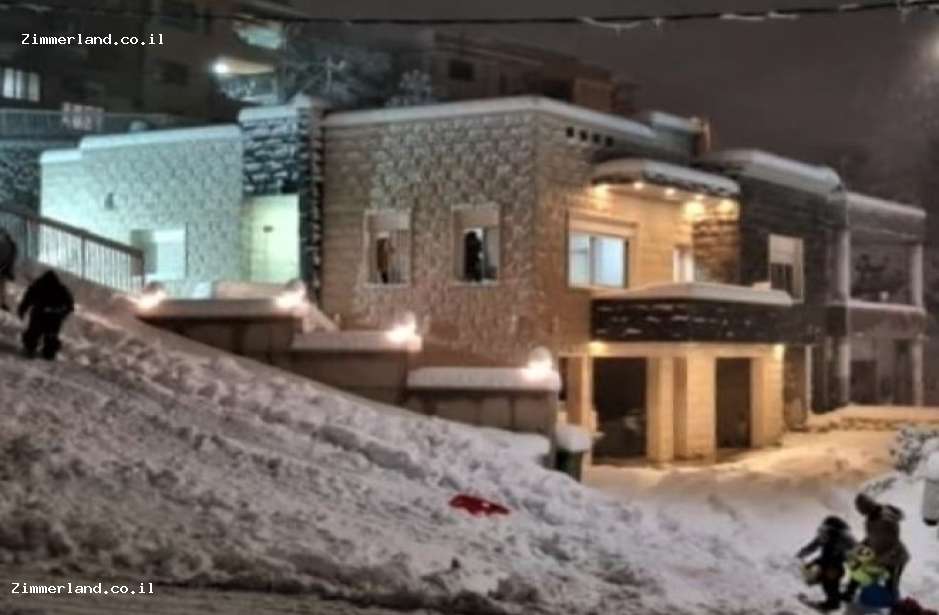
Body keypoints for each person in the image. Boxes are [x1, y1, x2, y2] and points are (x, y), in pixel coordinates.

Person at [843, 493, 910, 606]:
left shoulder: (887, 520)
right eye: (858, 509)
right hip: (878, 552)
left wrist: (879, 559)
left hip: (895, 558)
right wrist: (858, 549)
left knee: (891, 586)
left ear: (867, 505)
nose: (860, 511)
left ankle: (895, 606)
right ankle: (849, 592)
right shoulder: (870, 519)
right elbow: (871, 537)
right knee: (857, 565)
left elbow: (894, 545)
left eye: (860, 508)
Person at [797, 515, 857, 611]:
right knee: (824, 577)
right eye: (823, 529)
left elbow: (856, 555)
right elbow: (813, 545)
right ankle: (836, 598)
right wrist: (801, 555)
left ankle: (833, 603)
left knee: (829, 579)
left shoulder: (843, 539)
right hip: (831, 564)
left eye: (826, 530)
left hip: (837, 566)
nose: (823, 533)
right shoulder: (827, 535)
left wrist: (851, 589)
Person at [17, 270, 74, 361]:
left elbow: (27, 299)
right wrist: (63, 314)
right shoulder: (61, 289)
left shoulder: (39, 285)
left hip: (45, 315)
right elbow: (70, 306)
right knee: (45, 336)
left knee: (38, 334)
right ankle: (44, 351)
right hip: (51, 317)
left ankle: (35, 349)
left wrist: (22, 310)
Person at [0, 228, 17, 312]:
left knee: (2, 283)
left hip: (4, 265)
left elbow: (11, 257)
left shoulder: (11, 245)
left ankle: (2, 302)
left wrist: (8, 270)